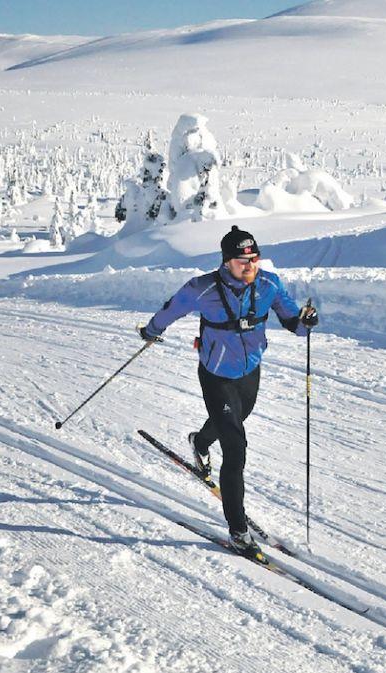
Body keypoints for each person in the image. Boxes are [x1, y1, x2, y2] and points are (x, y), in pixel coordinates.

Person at [138, 225, 318, 560]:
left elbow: (293, 321)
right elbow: (171, 309)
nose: (249, 266)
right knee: (236, 448)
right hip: (216, 374)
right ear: (226, 261)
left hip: (250, 371)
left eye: (254, 258)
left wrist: (305, 321)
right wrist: (151, 330)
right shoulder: (202, 288)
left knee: (235, 418)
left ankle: (200, 441)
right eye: (241, 260)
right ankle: (238, 531)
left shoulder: (269, 284)